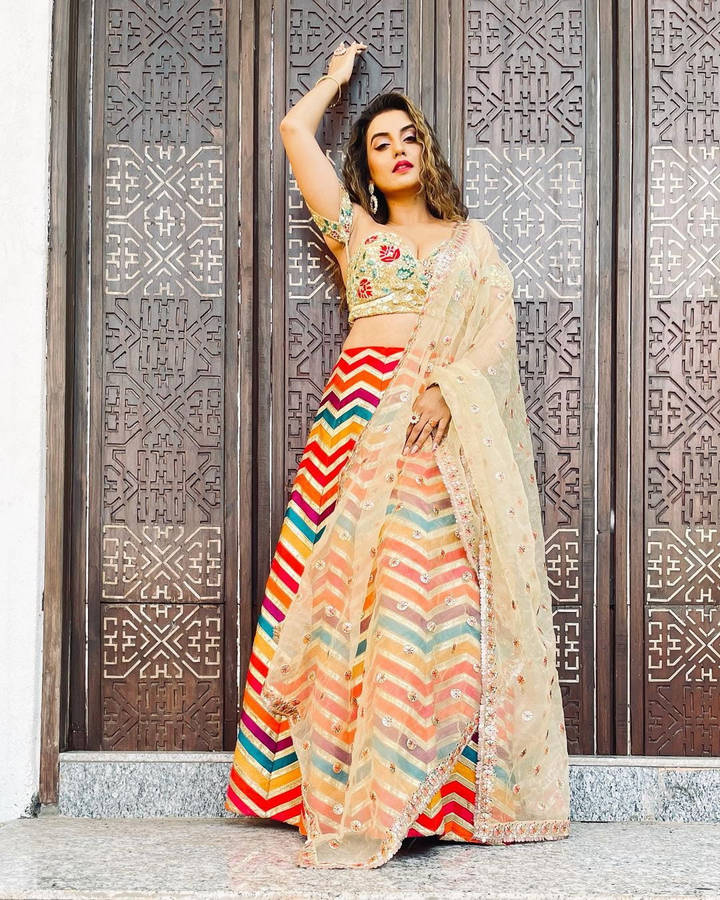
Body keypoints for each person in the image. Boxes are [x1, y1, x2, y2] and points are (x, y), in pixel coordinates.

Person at [226, 39, 571, 869]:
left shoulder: (469, 242)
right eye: (380, 144)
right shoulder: (354, 230)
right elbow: (293, 131)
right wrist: (334, 82)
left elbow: (494, 332)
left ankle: (425, 793)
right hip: (356, 420)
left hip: (433, 422)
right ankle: (336, 788)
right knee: (340, 593)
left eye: (408, 137)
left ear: (427, 150)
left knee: (427, 597)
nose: (397, 150)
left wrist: (443, 392)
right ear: (368, 168)